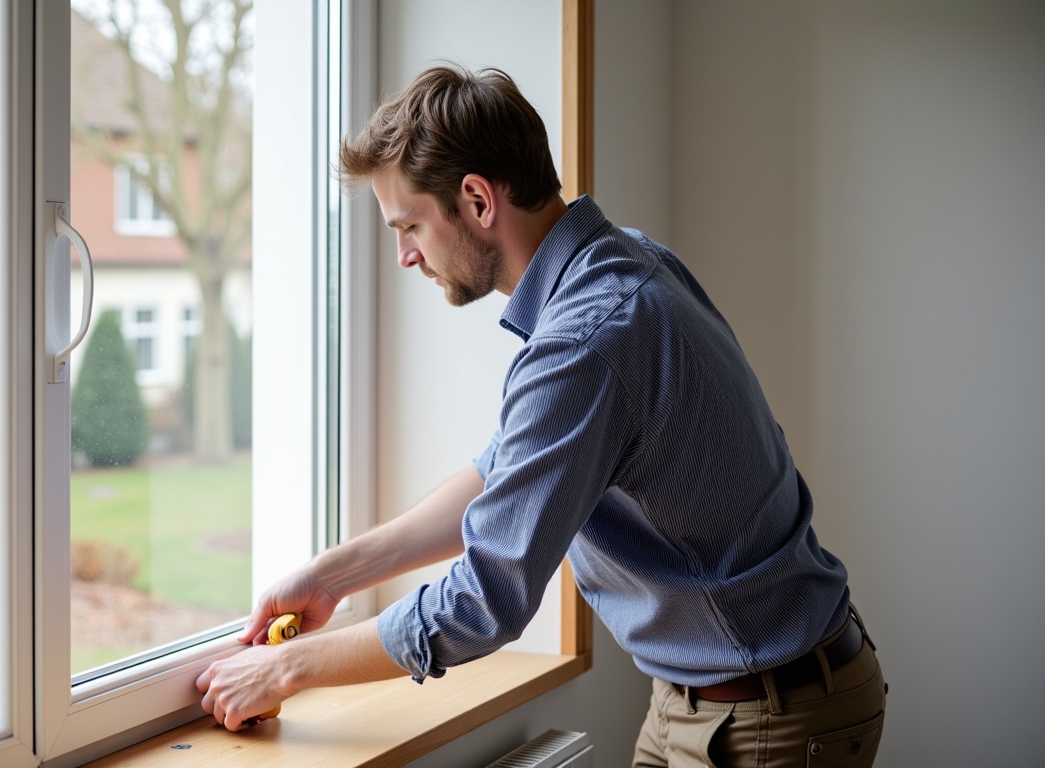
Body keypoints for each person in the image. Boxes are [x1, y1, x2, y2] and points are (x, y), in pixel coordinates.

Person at [196, 64, 886, 767]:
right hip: (711, 695)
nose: (406, 255)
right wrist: (331, 575)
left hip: (767, 714)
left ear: (476, 200)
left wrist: (286, 667)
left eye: (409, 225)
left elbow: (484, 600)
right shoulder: (625, 264)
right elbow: (506, 475)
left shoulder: (585, 340)